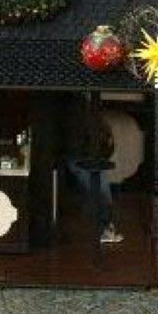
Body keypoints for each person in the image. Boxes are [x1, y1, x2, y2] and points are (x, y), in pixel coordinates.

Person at [63, 99, 120, 245]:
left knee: (94, 182)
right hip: (83, 149)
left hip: (79, 147)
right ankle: (105, 226)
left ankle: (105, 226)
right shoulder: (81, 107)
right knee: (97, 183)